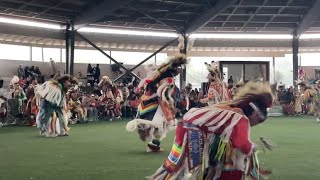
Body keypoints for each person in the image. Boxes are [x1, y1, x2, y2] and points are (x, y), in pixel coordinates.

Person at [149, 81, 274, 180]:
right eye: (257, 123)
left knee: (177, 168)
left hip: (185, 128)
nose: (253, 125)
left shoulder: (229, 106)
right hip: (194, 135)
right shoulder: (241, 118)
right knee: (194, 173)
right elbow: (242, 144)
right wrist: (253, 148)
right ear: (255, 115)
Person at [126, 55, 188, 152]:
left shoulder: (158, 78)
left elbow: (159, 91)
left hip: (152, 102)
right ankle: (140, 124)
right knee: (162, 124)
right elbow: (160, 92)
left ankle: (154, 144)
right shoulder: (168, 79)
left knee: (163, 125)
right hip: (158, 103)